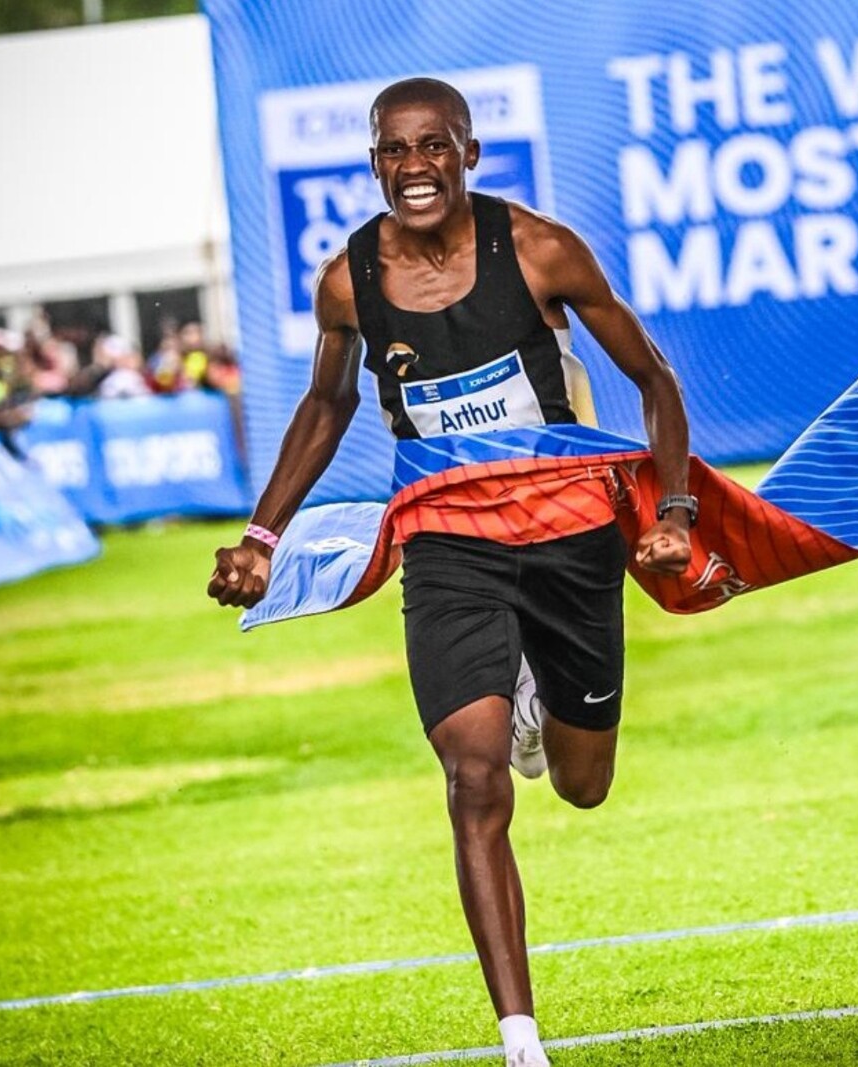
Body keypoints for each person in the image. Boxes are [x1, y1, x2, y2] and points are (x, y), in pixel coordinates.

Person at [208, 77, 695, 1067]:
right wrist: (262, 535)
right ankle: (521, 1039)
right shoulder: (348, 281)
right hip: (446, 538)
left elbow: (653, 378)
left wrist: (675, 511)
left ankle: (533, 692)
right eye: (394, 149)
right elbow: (327, 405)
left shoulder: (543, 250)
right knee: (473, 778)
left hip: (567, 534)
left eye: (434, 145)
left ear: (468, 153)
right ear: (373, 163)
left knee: (583, 784)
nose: (415, 166)